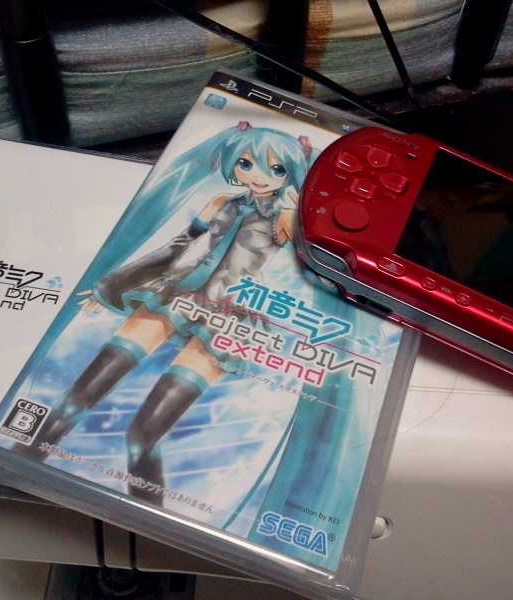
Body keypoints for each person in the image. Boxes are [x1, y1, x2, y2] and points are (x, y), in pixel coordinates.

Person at [17, 122, 315, 505]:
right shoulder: (222, 202)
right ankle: (18, 467)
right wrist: (115, 283)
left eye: (276, 168)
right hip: (176, 293)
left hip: (228, 316)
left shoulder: (286, 217)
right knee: (79, 396)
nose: (259, 176)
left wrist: (300, 208)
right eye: (247, 163)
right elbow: (177, 246)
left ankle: (144, 512)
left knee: (143, 434)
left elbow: (315, 266)